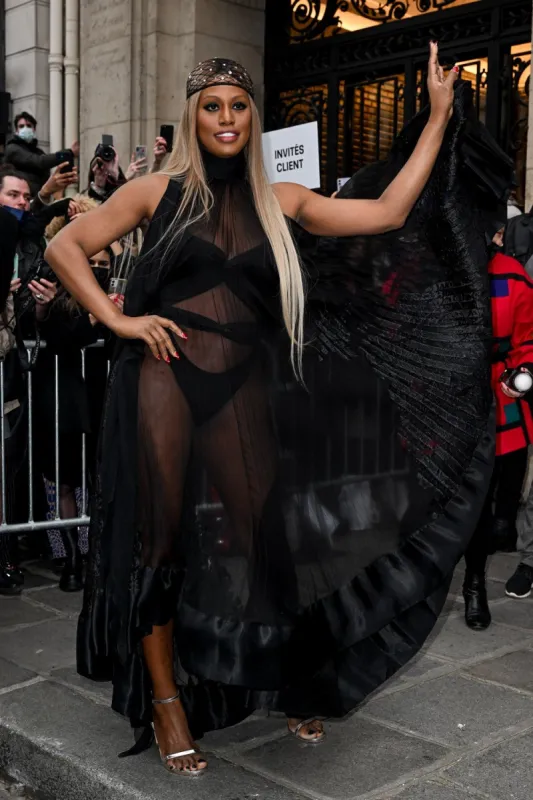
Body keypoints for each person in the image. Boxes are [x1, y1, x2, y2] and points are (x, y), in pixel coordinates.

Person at [46, 48, 511, 777]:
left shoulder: (282, 198)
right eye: (211, 106)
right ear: (192, 116)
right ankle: (168, 702)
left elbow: (388, 211)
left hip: (246, 387)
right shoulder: (153, 192)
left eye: (236, 106)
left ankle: (290, 673)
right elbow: (66, 245)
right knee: (162, 541)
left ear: (251, 116)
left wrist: (440, 114)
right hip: (165, 381)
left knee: (266, 539)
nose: (225, 118)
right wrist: (122, 322)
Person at [35, 198, 121, 591]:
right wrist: (95, 315)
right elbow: (60, 338)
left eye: (103, 263)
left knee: (98, 479)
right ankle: (71, 558)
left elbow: (124, 267)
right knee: (65, 479)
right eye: (92, 261)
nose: (98, 268)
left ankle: (94, 553)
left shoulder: (112, 283)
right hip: (66, 400)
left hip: (103, 396)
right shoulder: (56, 290)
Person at [462, 233, 533, 629]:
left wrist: (522, 371)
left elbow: (529, 340)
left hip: (497, 398)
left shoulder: (511, 274)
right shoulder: (428, 268)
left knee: (486, 503)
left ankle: (474, 585)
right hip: (441, 403)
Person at [4, 111, 79, 196]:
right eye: (21, 126)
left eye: (29, 126)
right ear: (16, 130)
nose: (25, 128)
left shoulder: (38, 152)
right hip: (18, 198)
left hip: (38, 199)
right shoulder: (12, 149)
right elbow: (40, 162)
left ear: (34, 129)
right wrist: (68, 153)